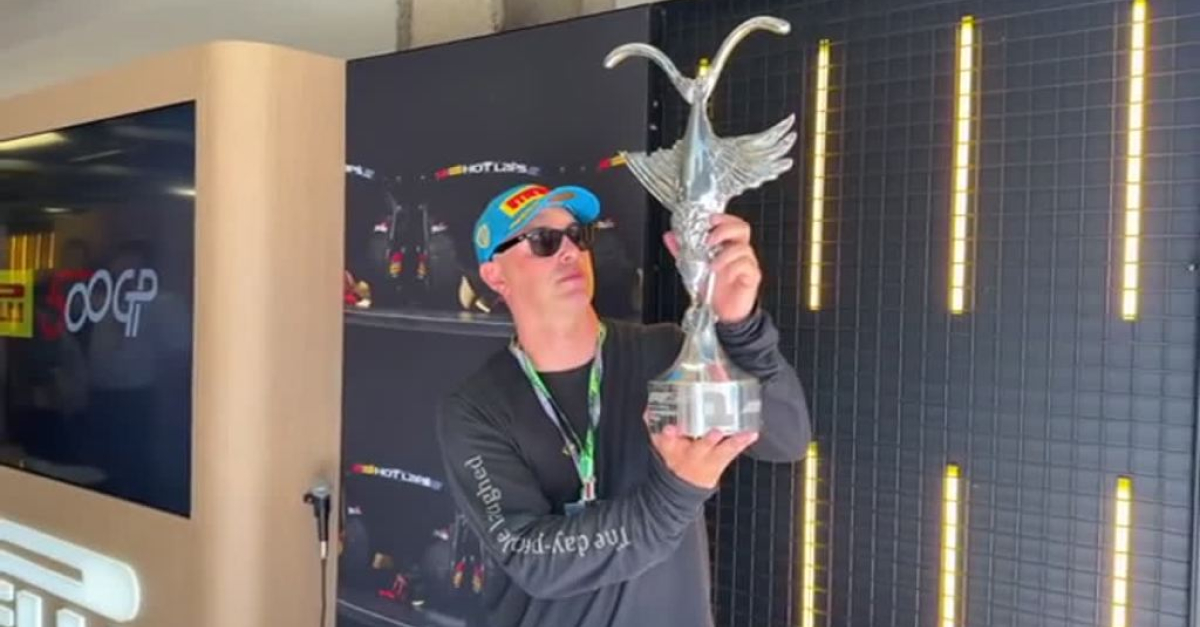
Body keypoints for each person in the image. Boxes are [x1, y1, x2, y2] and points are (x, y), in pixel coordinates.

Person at [436, 183, 811, 627]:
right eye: (543, 240)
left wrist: (740, 327)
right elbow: (532, 558)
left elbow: (785, 438)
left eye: (577, 235)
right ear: (496, 276)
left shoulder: (668, 353)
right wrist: (676, 492)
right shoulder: (476, 408)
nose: (570, 251)